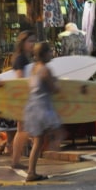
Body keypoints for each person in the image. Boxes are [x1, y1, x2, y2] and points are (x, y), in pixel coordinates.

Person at [22, 41, 64, 182]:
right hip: (43, 108)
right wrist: (59, 84)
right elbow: (54, 89)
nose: (52, 53)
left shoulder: (34, 68)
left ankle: (31, 172)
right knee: (58, 132)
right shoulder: (46, 70)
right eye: (50, 51)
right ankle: (54, 153)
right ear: (44, 54)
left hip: (33, 108)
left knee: (38, 142)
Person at [10, 30, 37, 169]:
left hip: (23, 98)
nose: (32, 44)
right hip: (23, 98)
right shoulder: (21, 59)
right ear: (23, 43)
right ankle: (15, 161)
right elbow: (20, 79)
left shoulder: (23, 58)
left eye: (34, 41)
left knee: (22, 130)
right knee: (22, 130)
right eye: (30, 41)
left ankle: (15, 160)